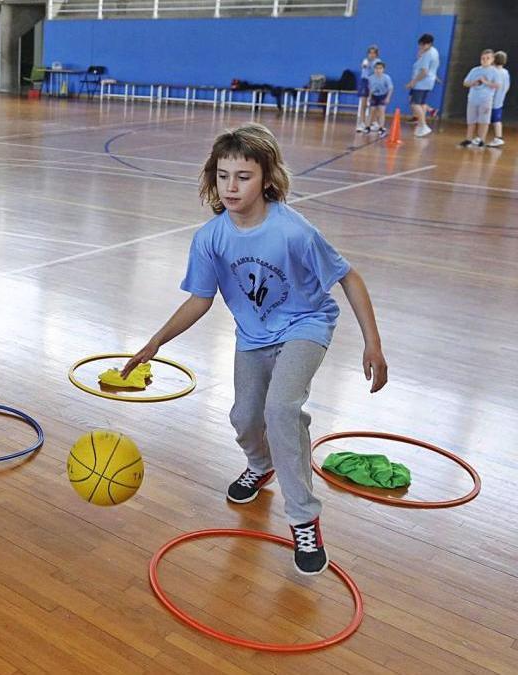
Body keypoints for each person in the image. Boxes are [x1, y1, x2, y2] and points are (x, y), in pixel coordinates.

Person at [121, 123, 387, 576]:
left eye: (243, 176)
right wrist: (154, 342)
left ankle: (304, 519)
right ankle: (260, 464)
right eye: (223, 175)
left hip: (306, 325)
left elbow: (349, 276)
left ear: (266, 178)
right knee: (245, 416)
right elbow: (200, 300)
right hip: (254, 337)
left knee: (281, 409)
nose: (231, 186)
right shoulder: (211, 238)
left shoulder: (293, 230)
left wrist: (373, 343)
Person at [461, 49, 500, 148]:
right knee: (471, 120)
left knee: (484, 121)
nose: (485, 60)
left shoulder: (494, 71)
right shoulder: (475, 70)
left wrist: (486, 82)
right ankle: (468, 139)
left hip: (485, 99)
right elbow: (465, 82)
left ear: (492, 59)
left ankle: (481, 140)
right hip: (473, 98)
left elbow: (498, 85)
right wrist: (473, 83)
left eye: (487, 58)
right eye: (483, 58)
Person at [406, 33, 439, 137]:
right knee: (422, 103)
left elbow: (424, 72)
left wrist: (413, 82)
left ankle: (423, 125)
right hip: (429, 82)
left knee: (415, 103)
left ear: (428, 44)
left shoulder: (427, 54)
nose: (420, 47)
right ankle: (421, 126)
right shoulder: (434, 51)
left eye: (422, 45)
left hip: (422, 83)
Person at [355, 45, 381, 133]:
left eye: (374, 53)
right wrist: (365, 65)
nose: (371, 55)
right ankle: (361, 123)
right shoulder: (365, 61)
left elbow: (376, 72)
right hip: (364, 82)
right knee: (363, 103)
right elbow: (364, 70)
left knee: (373, 104)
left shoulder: (378, 62)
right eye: (370, 53)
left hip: (373, 82)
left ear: (376, 54)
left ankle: (374, 122)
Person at [488, 50, 509, 147]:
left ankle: (497, 138)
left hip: (492, 100)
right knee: (497, 120)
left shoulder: (493, 71)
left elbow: (491, 85)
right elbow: (507, 86)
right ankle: (498, 137)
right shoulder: (505, 72)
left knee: (491, 120)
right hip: (500, 100)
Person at [365, 61, 393, 134]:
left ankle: (381, 127)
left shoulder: (386, 77)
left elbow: (390, 88)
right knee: (371, 111)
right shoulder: (370, 78)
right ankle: (367, 126)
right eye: (376, 68)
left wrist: (388, 98)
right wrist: (369, 97)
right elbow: (370, 89)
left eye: (380, 68)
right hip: (374, 96)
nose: (378, 70)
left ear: (383, 69)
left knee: (382, 111)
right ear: (374, 69)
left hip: (382, 96)